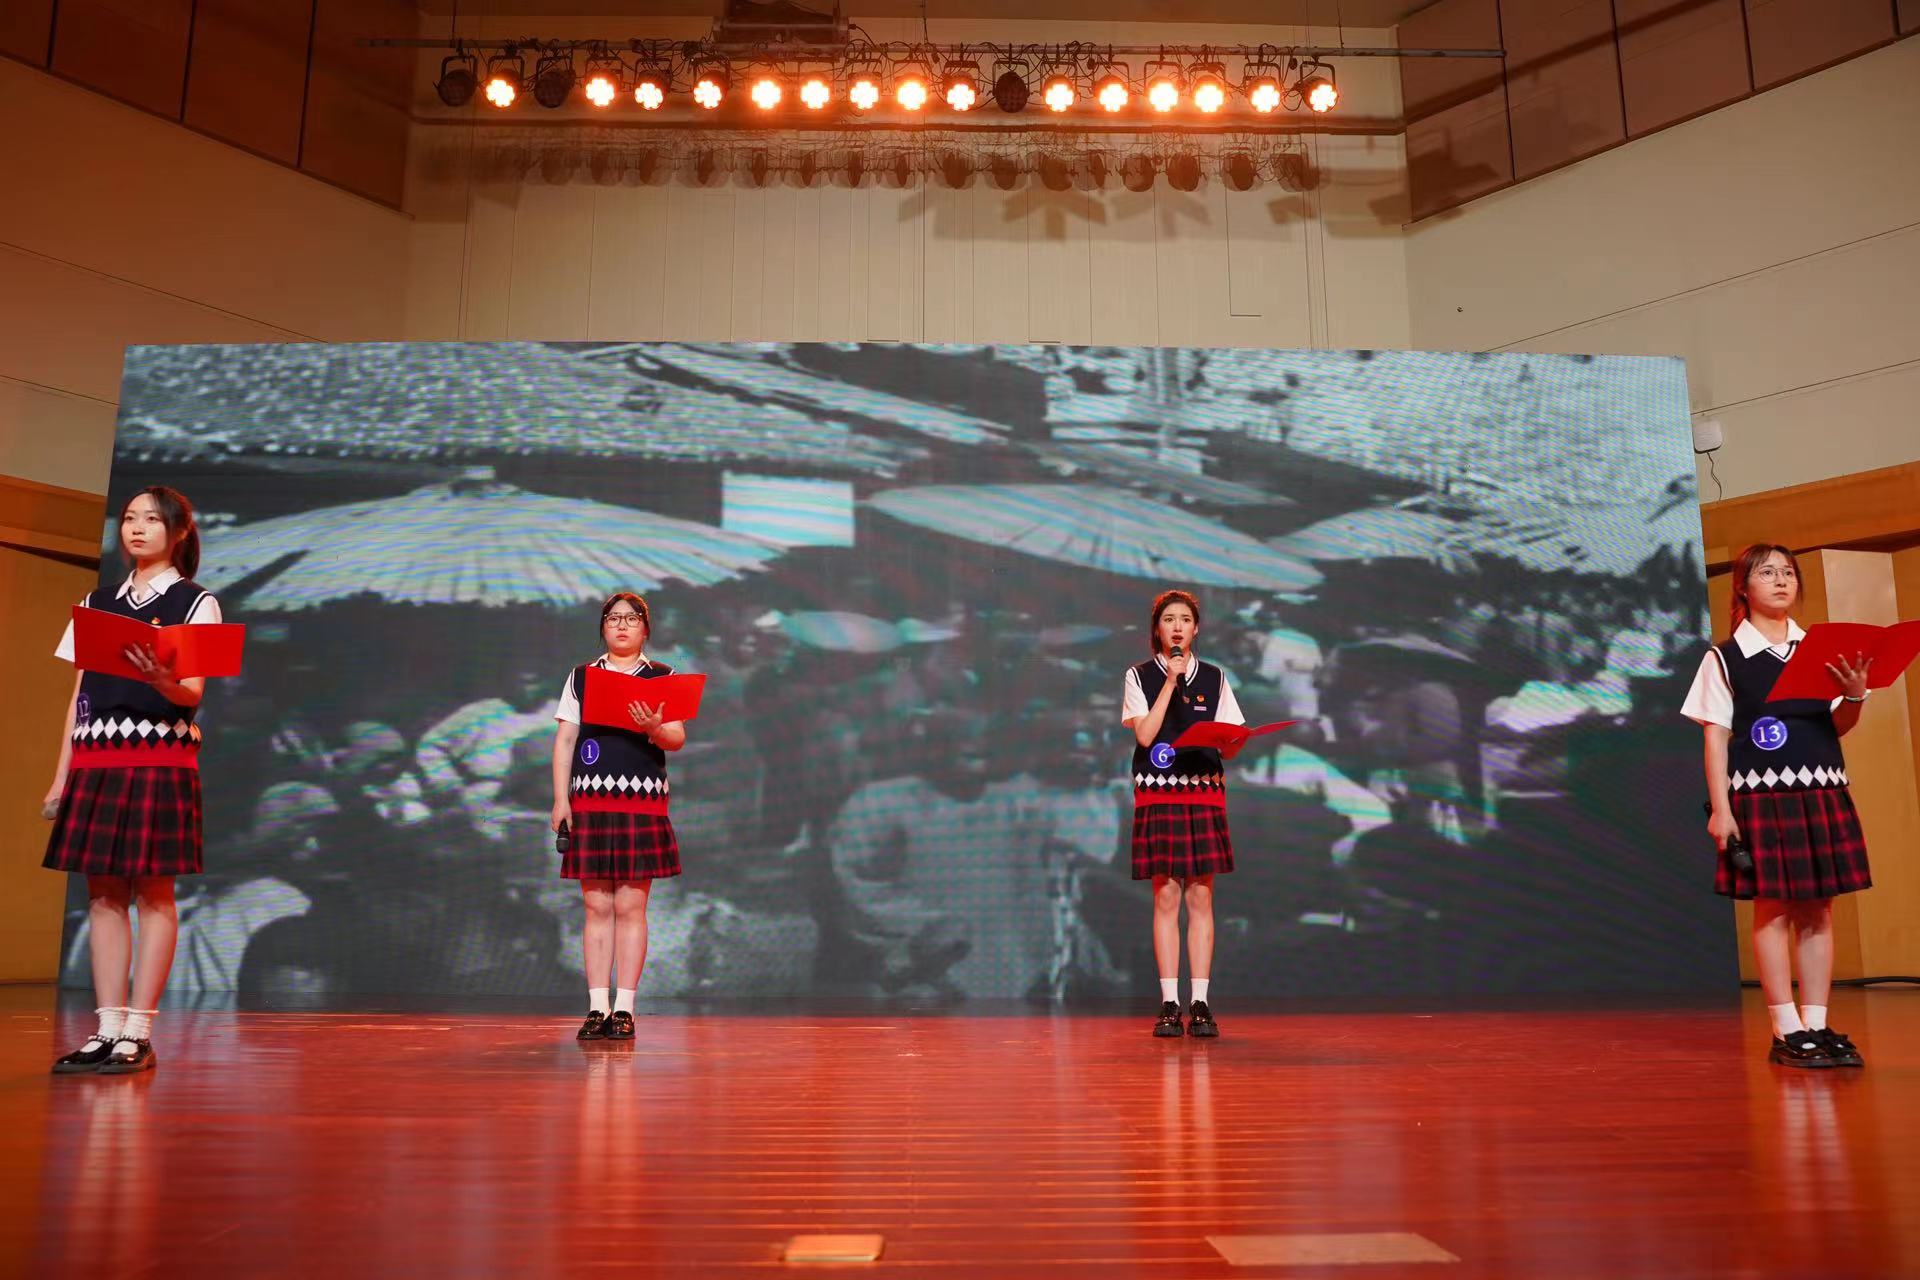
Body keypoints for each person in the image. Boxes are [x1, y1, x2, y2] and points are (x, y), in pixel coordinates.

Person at [43, 486, 224, 1074]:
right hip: (96, 759)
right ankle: (106, 1027)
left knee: (153, 892)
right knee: (102, 894)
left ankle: (138, 1032)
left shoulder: (197, 603)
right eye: (128, 518)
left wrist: (159, 679)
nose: (137, 528)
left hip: (157, 759)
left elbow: (191, 694)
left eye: (151, 519)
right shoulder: (96, 602)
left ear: (179, 532)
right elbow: (80, 695)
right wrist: (61, 776)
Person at [1682, 544, 1873, 1069]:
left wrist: (1855, 696)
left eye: (1788, 572)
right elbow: (1715, 738)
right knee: (1774, 908)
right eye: (1767, 572)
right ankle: (1784, 1026)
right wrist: (1722, 810)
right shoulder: (1724, 657)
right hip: (1760, 795)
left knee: (1819, 909)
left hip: (1821, 789)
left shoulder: (1818, 650)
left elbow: (1836, 726)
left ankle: (1816, 1022)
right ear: (1743, 587)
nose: (1781, 580)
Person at [550, 593, 686, 1041]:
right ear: (603, 627)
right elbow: (566, 741)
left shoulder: (662, 676)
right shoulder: (581, 677)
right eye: (613, 618)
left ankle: (624, 1008)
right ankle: (597, 1008)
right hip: (589, 802)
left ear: (645, 628)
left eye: (631, 619)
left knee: (630, 906)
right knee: (596, 906)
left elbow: (675, 739)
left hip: (640, 803)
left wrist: (653, 728)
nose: (622, 625)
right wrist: (561, 800)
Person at [1122, 589, 1247, 1039]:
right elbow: (1145, 736)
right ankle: (1169, 1003)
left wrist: (1234, 740)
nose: (1177, 627)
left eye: (1185, 620)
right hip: (1159, 792)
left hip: (1203, 791)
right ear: (1157, 629)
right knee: (1166, 896)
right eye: (1169, 619)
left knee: (1200, 897)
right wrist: (1171, 684)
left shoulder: (1215, 677)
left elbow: (1230, 745)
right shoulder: (1139, 676)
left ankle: (1201, 1002)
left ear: (1196, 629)